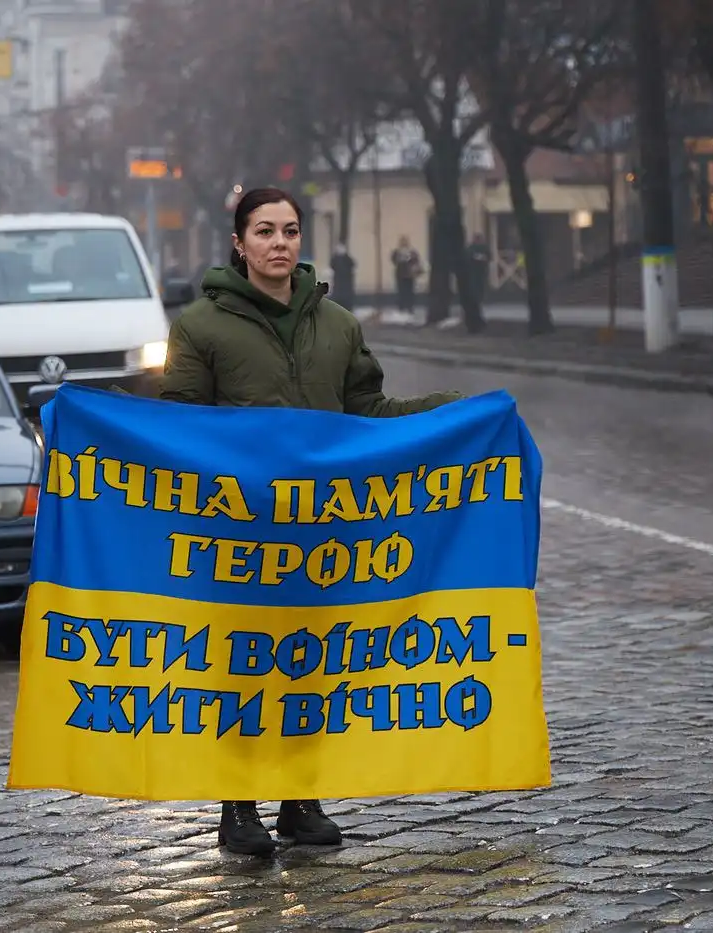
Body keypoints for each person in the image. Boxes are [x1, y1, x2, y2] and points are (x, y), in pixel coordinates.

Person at [161, 187, 465, 856]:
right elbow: (177, 430)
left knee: (310, 665)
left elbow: (369, 416)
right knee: (242, 668)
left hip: (320, 539)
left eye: (290, 230)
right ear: (239, 243)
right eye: (265, 231)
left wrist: (453, 414)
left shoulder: (338, 325)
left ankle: (301, 801)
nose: (279, 243)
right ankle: (238, 807)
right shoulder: (201, 326)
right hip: (238, 538)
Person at [389, 236, 422, 321]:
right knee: (401, 291)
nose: (404, 243)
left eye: (405, 241)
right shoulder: (397, 252)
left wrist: (411, 261)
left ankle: (409, 308)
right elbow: (393, 260)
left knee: (409, 292)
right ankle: (401, 308)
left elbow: (416, 260)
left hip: (409, 274)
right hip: (400, 274)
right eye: (402, 242)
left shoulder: (412, 252)